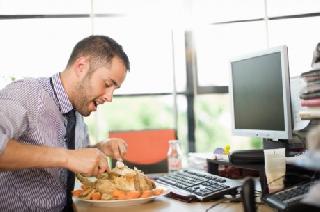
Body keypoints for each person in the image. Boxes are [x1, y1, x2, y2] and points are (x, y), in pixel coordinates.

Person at [0, 35, 130, 211]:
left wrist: (99, 148)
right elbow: (67, 157)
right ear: (81, 67)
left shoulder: (76, 112)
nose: (110, 97)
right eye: (107, 84)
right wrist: (67, 158)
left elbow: (73, 158)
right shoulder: (26, 93)